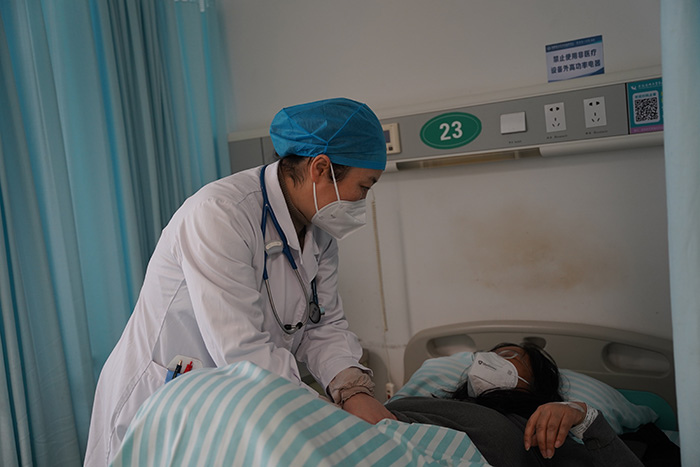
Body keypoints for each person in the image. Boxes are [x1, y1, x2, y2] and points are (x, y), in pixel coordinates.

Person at [84, 97, 396, 466]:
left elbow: (322, 325)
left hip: (232, 403)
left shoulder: (320, 230)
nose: (361, 201)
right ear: (320, 168)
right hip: (162, 398)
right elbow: (242, 351)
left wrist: (352, 391)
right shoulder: (219, 214)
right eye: (364, 186)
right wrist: (326, 417)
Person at [385, 343, 677, 466]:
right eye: (487, 355)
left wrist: (584, 416)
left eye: (508, 356)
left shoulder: (539, 432)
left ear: (536, 385)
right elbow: (384, 422)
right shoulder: (417, 402)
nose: (488, 361)